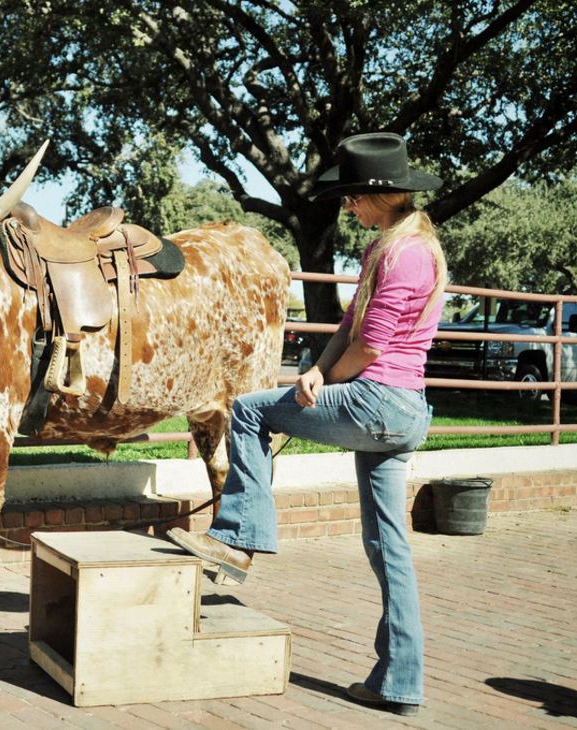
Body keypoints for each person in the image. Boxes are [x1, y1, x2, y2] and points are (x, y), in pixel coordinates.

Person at [167, 132, 446, 717]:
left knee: (245, 410)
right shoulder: (388, 248)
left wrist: (334, 381)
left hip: (379, 400)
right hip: (401, 410)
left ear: (386, 194)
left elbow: (371, 345)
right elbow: (349, 327)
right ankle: (400, 683)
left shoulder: (405, 253)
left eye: (353, 197)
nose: (348, 207)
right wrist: (317, 371)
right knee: (386, 544)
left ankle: (240, 539)